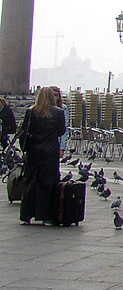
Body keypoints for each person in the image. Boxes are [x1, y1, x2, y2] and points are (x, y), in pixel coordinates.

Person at [19, 87, 66, 225]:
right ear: (52, 97)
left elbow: (25, 130)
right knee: (48, 183)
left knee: (30, 181)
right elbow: (61, 131)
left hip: (33, 150)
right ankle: (45, 215)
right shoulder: (58, 112)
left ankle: (26, 215)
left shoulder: (30, 111)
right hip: (50, 151)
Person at [51, 87, 69, 158]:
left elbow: (65, 128)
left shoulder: (63, 108)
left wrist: (62, 148)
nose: (54, 97)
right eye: (52, 95)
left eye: (56, 95)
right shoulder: (43, 109)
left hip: (56, 143)